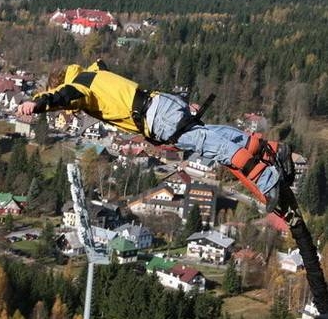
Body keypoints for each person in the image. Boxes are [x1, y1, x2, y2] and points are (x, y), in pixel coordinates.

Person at [17, 59, 294, 212]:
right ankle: (271, 148)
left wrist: (38, 104)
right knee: (209, 134)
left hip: (156, 118)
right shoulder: (94, 74)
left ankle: (268, 181)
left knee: (209, 145)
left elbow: (62, 95)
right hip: (160, 102)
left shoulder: (78, 87)